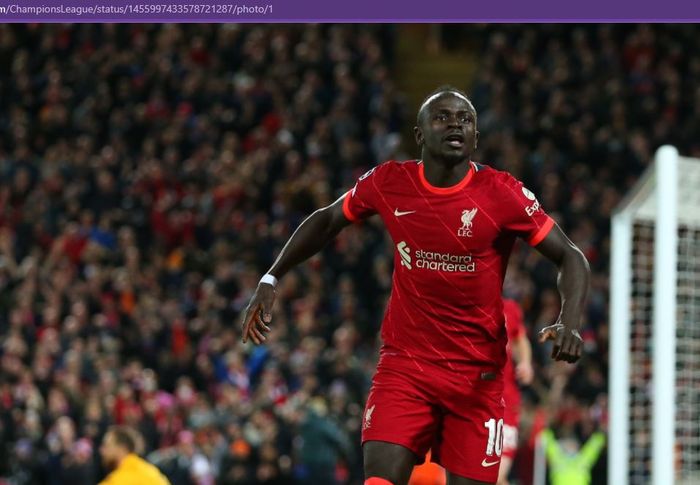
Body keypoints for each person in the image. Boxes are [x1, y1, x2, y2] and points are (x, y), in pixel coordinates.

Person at [241, 86, 590, 485]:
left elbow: (571, 256)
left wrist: (570, 320)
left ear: (476, 137)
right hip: (406, 368)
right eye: (442, 117)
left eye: (466, 119)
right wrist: (272, 276)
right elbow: (326, 220)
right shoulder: (391, 182)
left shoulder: (503, 194)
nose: (456, 124)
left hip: (476, 378)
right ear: (420, 133)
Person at [497, 299, 534, 485]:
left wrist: (525, 362)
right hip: (470, 400)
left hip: (505, 402)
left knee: (496, 476)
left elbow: (520, 338)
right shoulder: (465, 302)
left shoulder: (509, 307)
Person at [98, 426, 171, 485]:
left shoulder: (128, 475)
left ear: (122, 448)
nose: (102, 451)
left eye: (107, 446)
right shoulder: (146, 469)